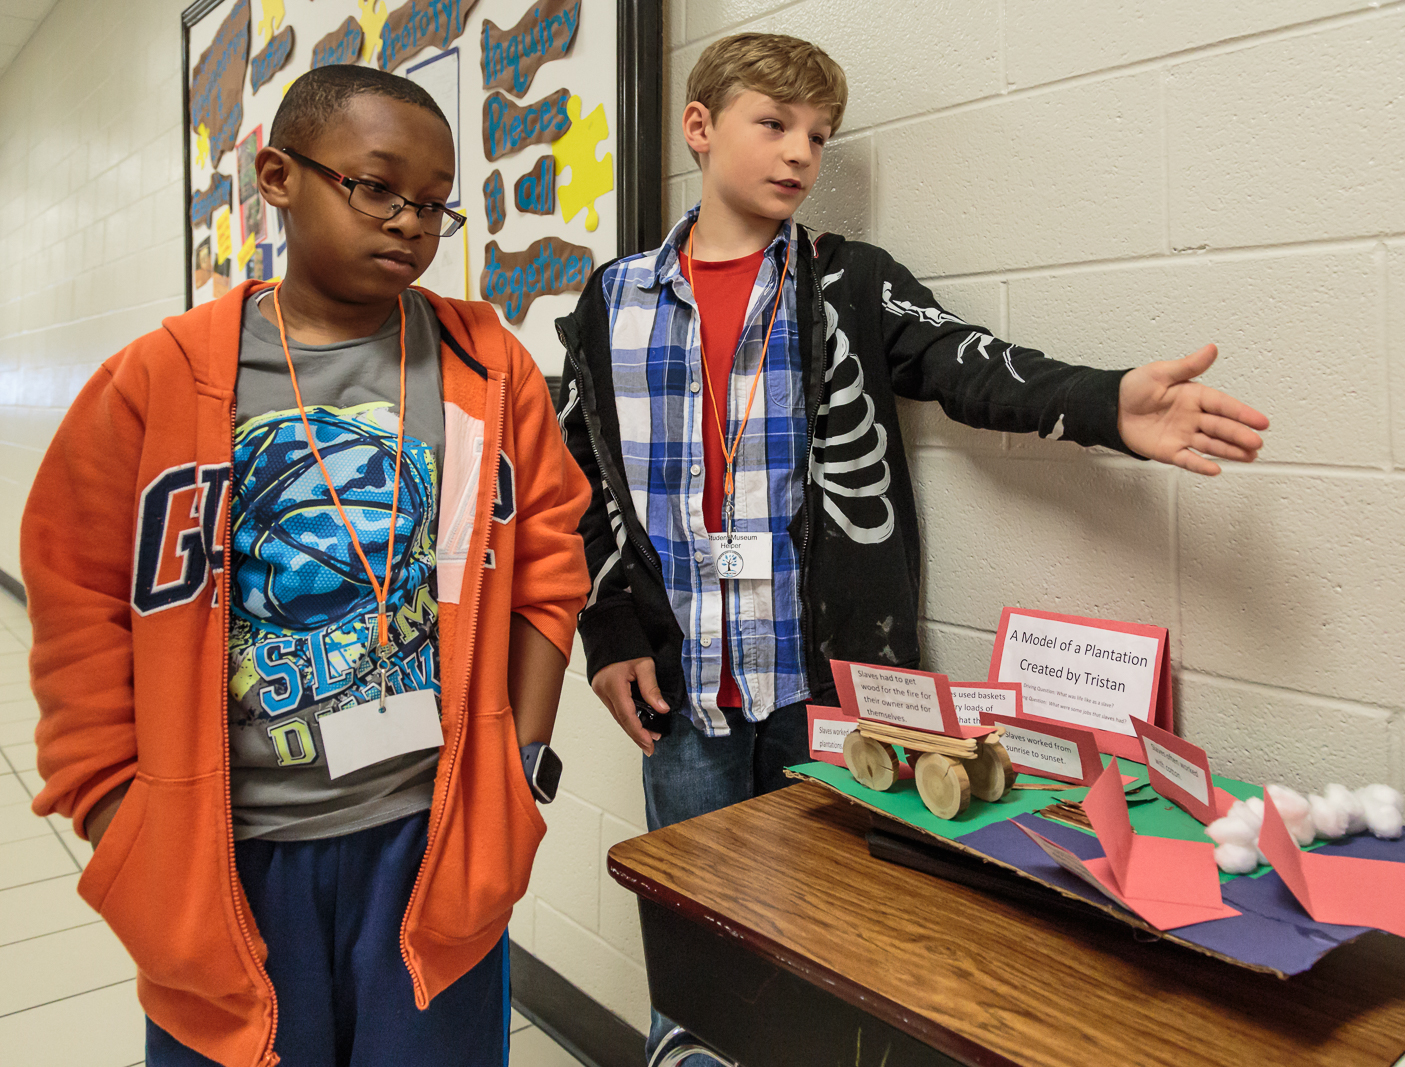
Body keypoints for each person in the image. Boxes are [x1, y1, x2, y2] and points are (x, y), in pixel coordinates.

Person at [556, 32, 1270, 1063]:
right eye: (774, 124)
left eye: (818, 135)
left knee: (835, 934)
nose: (800, 153)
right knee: (695, 931)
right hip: (686, 682)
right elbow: (580, 478)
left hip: (828, 685)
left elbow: (966, 365)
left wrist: (1106, 403)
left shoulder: (849, 281)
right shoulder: (608, 301)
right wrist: (609, 628)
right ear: (700, 128)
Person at [22, 65, 589, 1067]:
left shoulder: (484, 366)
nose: (410, 222)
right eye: (376, 187)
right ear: (279, 175)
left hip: (431, 831)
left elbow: (547, 545)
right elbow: (78, 600)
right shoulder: (163, 379)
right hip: (234, 850)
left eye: (434, 204)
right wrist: (119, 813)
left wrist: (521, 752)